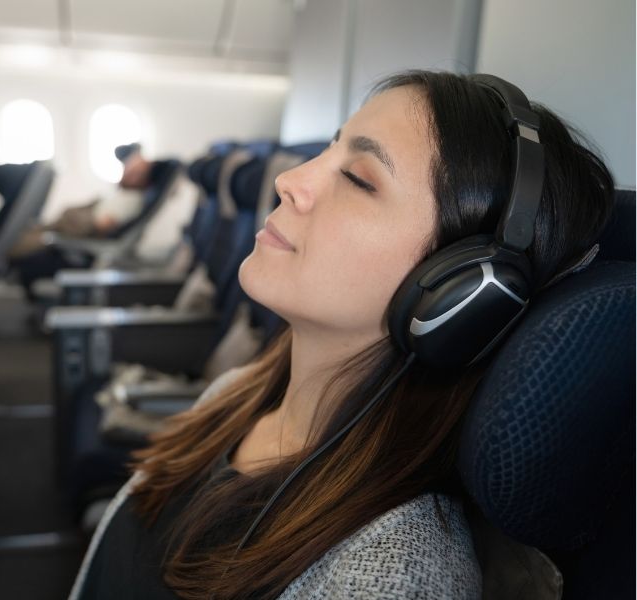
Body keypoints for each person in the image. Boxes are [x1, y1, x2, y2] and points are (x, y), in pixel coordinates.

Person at [70, 70, 614, 599]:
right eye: (329, 150)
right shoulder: (234, 396)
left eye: (357, 177)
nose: (289, 181)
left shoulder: (388, 574)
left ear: (461, 292)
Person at [8, 143, 177, 296]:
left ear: (146, 181)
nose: (128, 172)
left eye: (136, 172)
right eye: (129, 167)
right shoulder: (121, 194)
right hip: (73, 232)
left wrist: (70, 217)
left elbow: (100, 227)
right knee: (23, 237)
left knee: (24, 251)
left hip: (80, 246)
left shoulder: (131, 201)